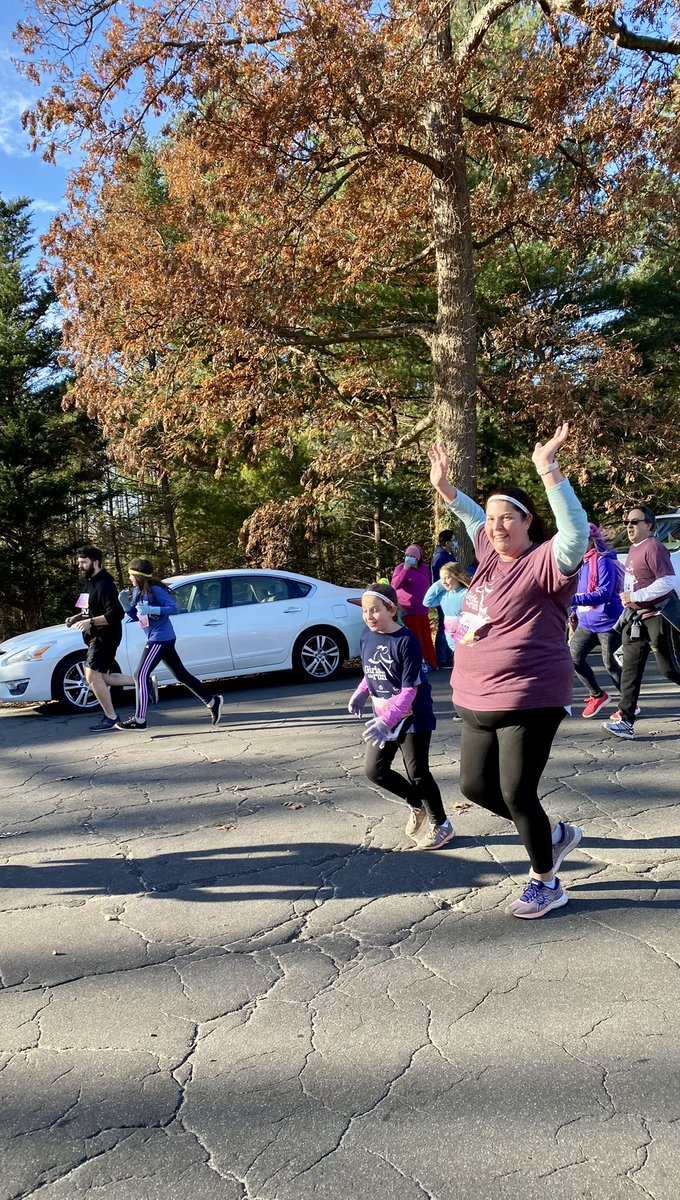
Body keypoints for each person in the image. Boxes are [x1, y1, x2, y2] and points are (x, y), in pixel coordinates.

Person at [428, 423, 589, 918]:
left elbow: (575, 531)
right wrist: (445, 488)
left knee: (518, 793)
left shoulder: (546, 561)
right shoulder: (487, 555)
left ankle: (546, 881)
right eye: (494, 519)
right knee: (476, 788)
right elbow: (473, 515)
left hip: (529, 696)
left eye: (508, 518)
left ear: (527, 521)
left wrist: (548, 470)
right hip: (475, 697)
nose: (497, 526)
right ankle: (553, 835)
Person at [348, 583, 454, 850]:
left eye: (375, 610)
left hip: (412, 716)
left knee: (417, 772)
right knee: (375, 771)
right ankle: (416, 805)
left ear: (391, 610)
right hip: (383, 717)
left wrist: (387, 721)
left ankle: (442, 825)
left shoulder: (407, 642)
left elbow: (409, 690)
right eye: (365, 611)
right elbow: (372, 671)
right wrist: (361, 692)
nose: (369, 616)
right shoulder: (367, 636)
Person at [116, 558, 223, 730]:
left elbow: (173, 608)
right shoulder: (137, 591)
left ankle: (140, 720)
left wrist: (153, 609)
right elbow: (138, 617)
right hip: (157, 636)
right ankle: (212, 701)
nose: (129, 578)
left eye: (130, 575)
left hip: (160, 637)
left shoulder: (156, 590)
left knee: (139, 675)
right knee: (181, 675)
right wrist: (126, 606)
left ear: (138, 576)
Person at [602, 505, 680, 740]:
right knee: (630, 671)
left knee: (670, 669)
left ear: (649, 525)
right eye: (627, 522)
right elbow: (633, 583)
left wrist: (636, 596)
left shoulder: (654, 547)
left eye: (635, 522)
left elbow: (667, 582)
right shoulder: (634, 549)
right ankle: (626, 721)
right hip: (636, 619)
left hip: (658, 617)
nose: (629, 526)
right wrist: (628, 603)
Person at [65, 547, 126, 732]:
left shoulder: (106, 584)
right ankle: (143, 683)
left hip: (105, 636)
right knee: (101, 677)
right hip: (94, 637)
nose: (80, 566)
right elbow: (86, 609)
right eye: (79, 563)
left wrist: (91, 622)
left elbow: (116, 613)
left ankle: (111, 718)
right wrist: (75, 618)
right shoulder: (89, 583)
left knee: (91, 676)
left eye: (84, 563)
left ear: (96, 562)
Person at [569, 522, 623, 718]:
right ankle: (597, 695)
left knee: (612, 665)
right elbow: (580, 589)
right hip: (586, 623)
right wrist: (574, 610)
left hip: (609, 623)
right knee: (573, 659)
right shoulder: (581, 562)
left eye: (582, 540)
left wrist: (573, 600)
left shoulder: (603, 561)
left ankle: (628, 705)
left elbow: (604, 594)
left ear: (592, 541)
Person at [423, 561, 470, 688]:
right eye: (441, 578)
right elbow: (427, 602)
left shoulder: (465, 593)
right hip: (450, 639)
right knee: (458, 664)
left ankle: (466, 686)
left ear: (457, 576)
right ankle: (462, 686)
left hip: (464, 637)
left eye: (447, 577)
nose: (444, 581)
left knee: (464, 664)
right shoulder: (444, 595)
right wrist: (440, 583)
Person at [390, 544, 437, 670]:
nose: (409, 558)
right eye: (407, 555)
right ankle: (413, 663)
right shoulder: (400, 568)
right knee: (412, 639)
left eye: (412, 556)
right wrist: (405, 569)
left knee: (424, 639)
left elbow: (429, 584)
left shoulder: (424, 568)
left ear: (418, 558)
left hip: (422, 610)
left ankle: (427, 661)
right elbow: (395, 585)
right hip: (407, 611)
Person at [431, 530, 458, 668]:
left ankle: (449, 656)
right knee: (444, 626)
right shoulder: (439, 558)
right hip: (444, 597)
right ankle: (442, 658)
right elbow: (438, 581)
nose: (455, 542)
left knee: (452, 625)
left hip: (453, 595)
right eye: (454, 540)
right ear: (447, 543)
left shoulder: (450, 554)